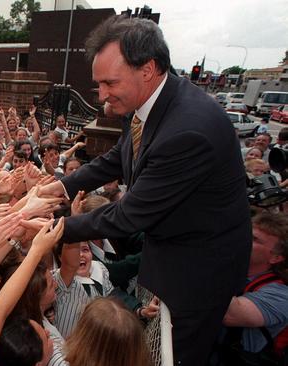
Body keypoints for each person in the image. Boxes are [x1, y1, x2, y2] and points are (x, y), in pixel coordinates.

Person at [38, 15, 251, 365]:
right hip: (169, 250)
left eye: (109, 83)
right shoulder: (143, 103)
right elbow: (117, 159)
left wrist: (52, 229)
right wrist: (58, 187)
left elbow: (127, 214)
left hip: (195, 269)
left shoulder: (188, 130)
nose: (103, 96)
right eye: (98, 84)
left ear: (147, 69)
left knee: (173, 353)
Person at [217, 212, 288, 364]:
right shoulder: (236, 269)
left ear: (276, 257)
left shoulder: (282, 295)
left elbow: (229, 314)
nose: (244, 239)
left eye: (255, 239)